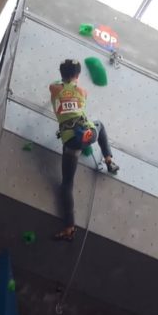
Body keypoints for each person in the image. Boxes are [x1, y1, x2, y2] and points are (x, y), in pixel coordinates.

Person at [49, 59, 119, 242]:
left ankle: (69, 227)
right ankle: (109, 160)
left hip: (71, 142)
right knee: (100, 124)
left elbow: (57, 87)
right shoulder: (82, 91)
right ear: (78, 75)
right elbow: (76, 94)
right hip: (88, 133)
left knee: (67, 184)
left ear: (61, 74)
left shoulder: (54, 88)